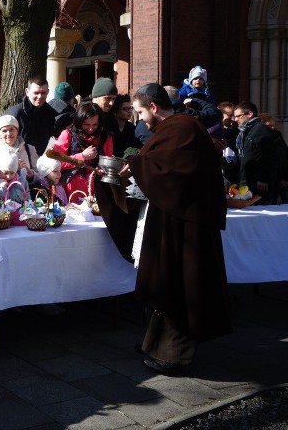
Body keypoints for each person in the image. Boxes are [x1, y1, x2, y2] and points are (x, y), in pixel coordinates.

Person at [101, 83, 231, 375]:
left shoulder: (183, 129)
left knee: (182, 285)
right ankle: (156, 345)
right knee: (166, 282)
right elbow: (160, 166)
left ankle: (176, 354)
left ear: (154, 107)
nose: (139, 118)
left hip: (187, 226)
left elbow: (173, 172)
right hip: (173, 218)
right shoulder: (173, 130)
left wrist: (135, 163)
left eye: (140, 112)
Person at [53, 101, 114, 204]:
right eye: (86, 124)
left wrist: (104, 169)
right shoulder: (68, 134)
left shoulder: (106, 138)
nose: (91, 128)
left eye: (95, 124)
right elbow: (55, 162)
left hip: (98, 191)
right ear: (79, 122)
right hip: (72, 191)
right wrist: (82, 156)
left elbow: (108, 163)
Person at [234, 101, 283, 205]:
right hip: (247, 181)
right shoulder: (245, 131)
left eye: (238, 116)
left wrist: (263, 178)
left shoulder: (261, 130)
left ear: (250, 114)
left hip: (258, 184)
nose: (235, 119)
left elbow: (271, 156)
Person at [4, 75, 56, 156]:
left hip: (43, 163)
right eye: (36, 93)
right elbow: (0, 141)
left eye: (43, 93)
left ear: (48, 92)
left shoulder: (52, 114)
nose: (40, 96)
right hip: (19, 163)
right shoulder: (14, 114)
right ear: (27, 92)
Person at [0, 114, 36, 182]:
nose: (9, 134)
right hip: (3, 192)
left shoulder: (29, 149)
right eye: (4, 131)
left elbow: (40, 176)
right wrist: (13, 168)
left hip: (27, 191)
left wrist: (32, 176)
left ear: (17, 132)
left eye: (12, 129)